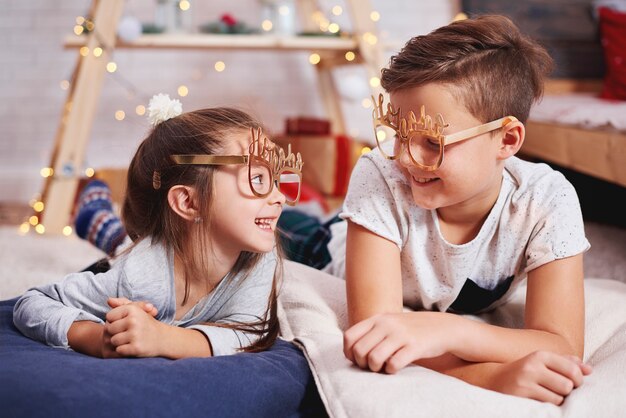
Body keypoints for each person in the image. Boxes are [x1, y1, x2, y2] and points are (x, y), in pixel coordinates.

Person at [329, 14, 593, 405]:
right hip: (328, 246)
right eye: (399, 135)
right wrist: (491, 376)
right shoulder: (380, 176)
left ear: (506, 138)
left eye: (432, 143)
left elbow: (563, 346)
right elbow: (376, 334)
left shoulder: (546, 199)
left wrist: (448, 331)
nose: (404, 157)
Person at [13, 94, 304, 359]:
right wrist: (94, 337)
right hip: (151, 257)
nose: (279, 197)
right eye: (257, 179)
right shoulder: (136, 277)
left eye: (276, 180)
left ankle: (100, 220)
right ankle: (97, 217)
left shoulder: (260, 260)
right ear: (188, 202)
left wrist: (166, 339)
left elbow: (249, 332)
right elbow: (32, 303)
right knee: (129, 252)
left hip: (173, 243)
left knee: (125, 244)